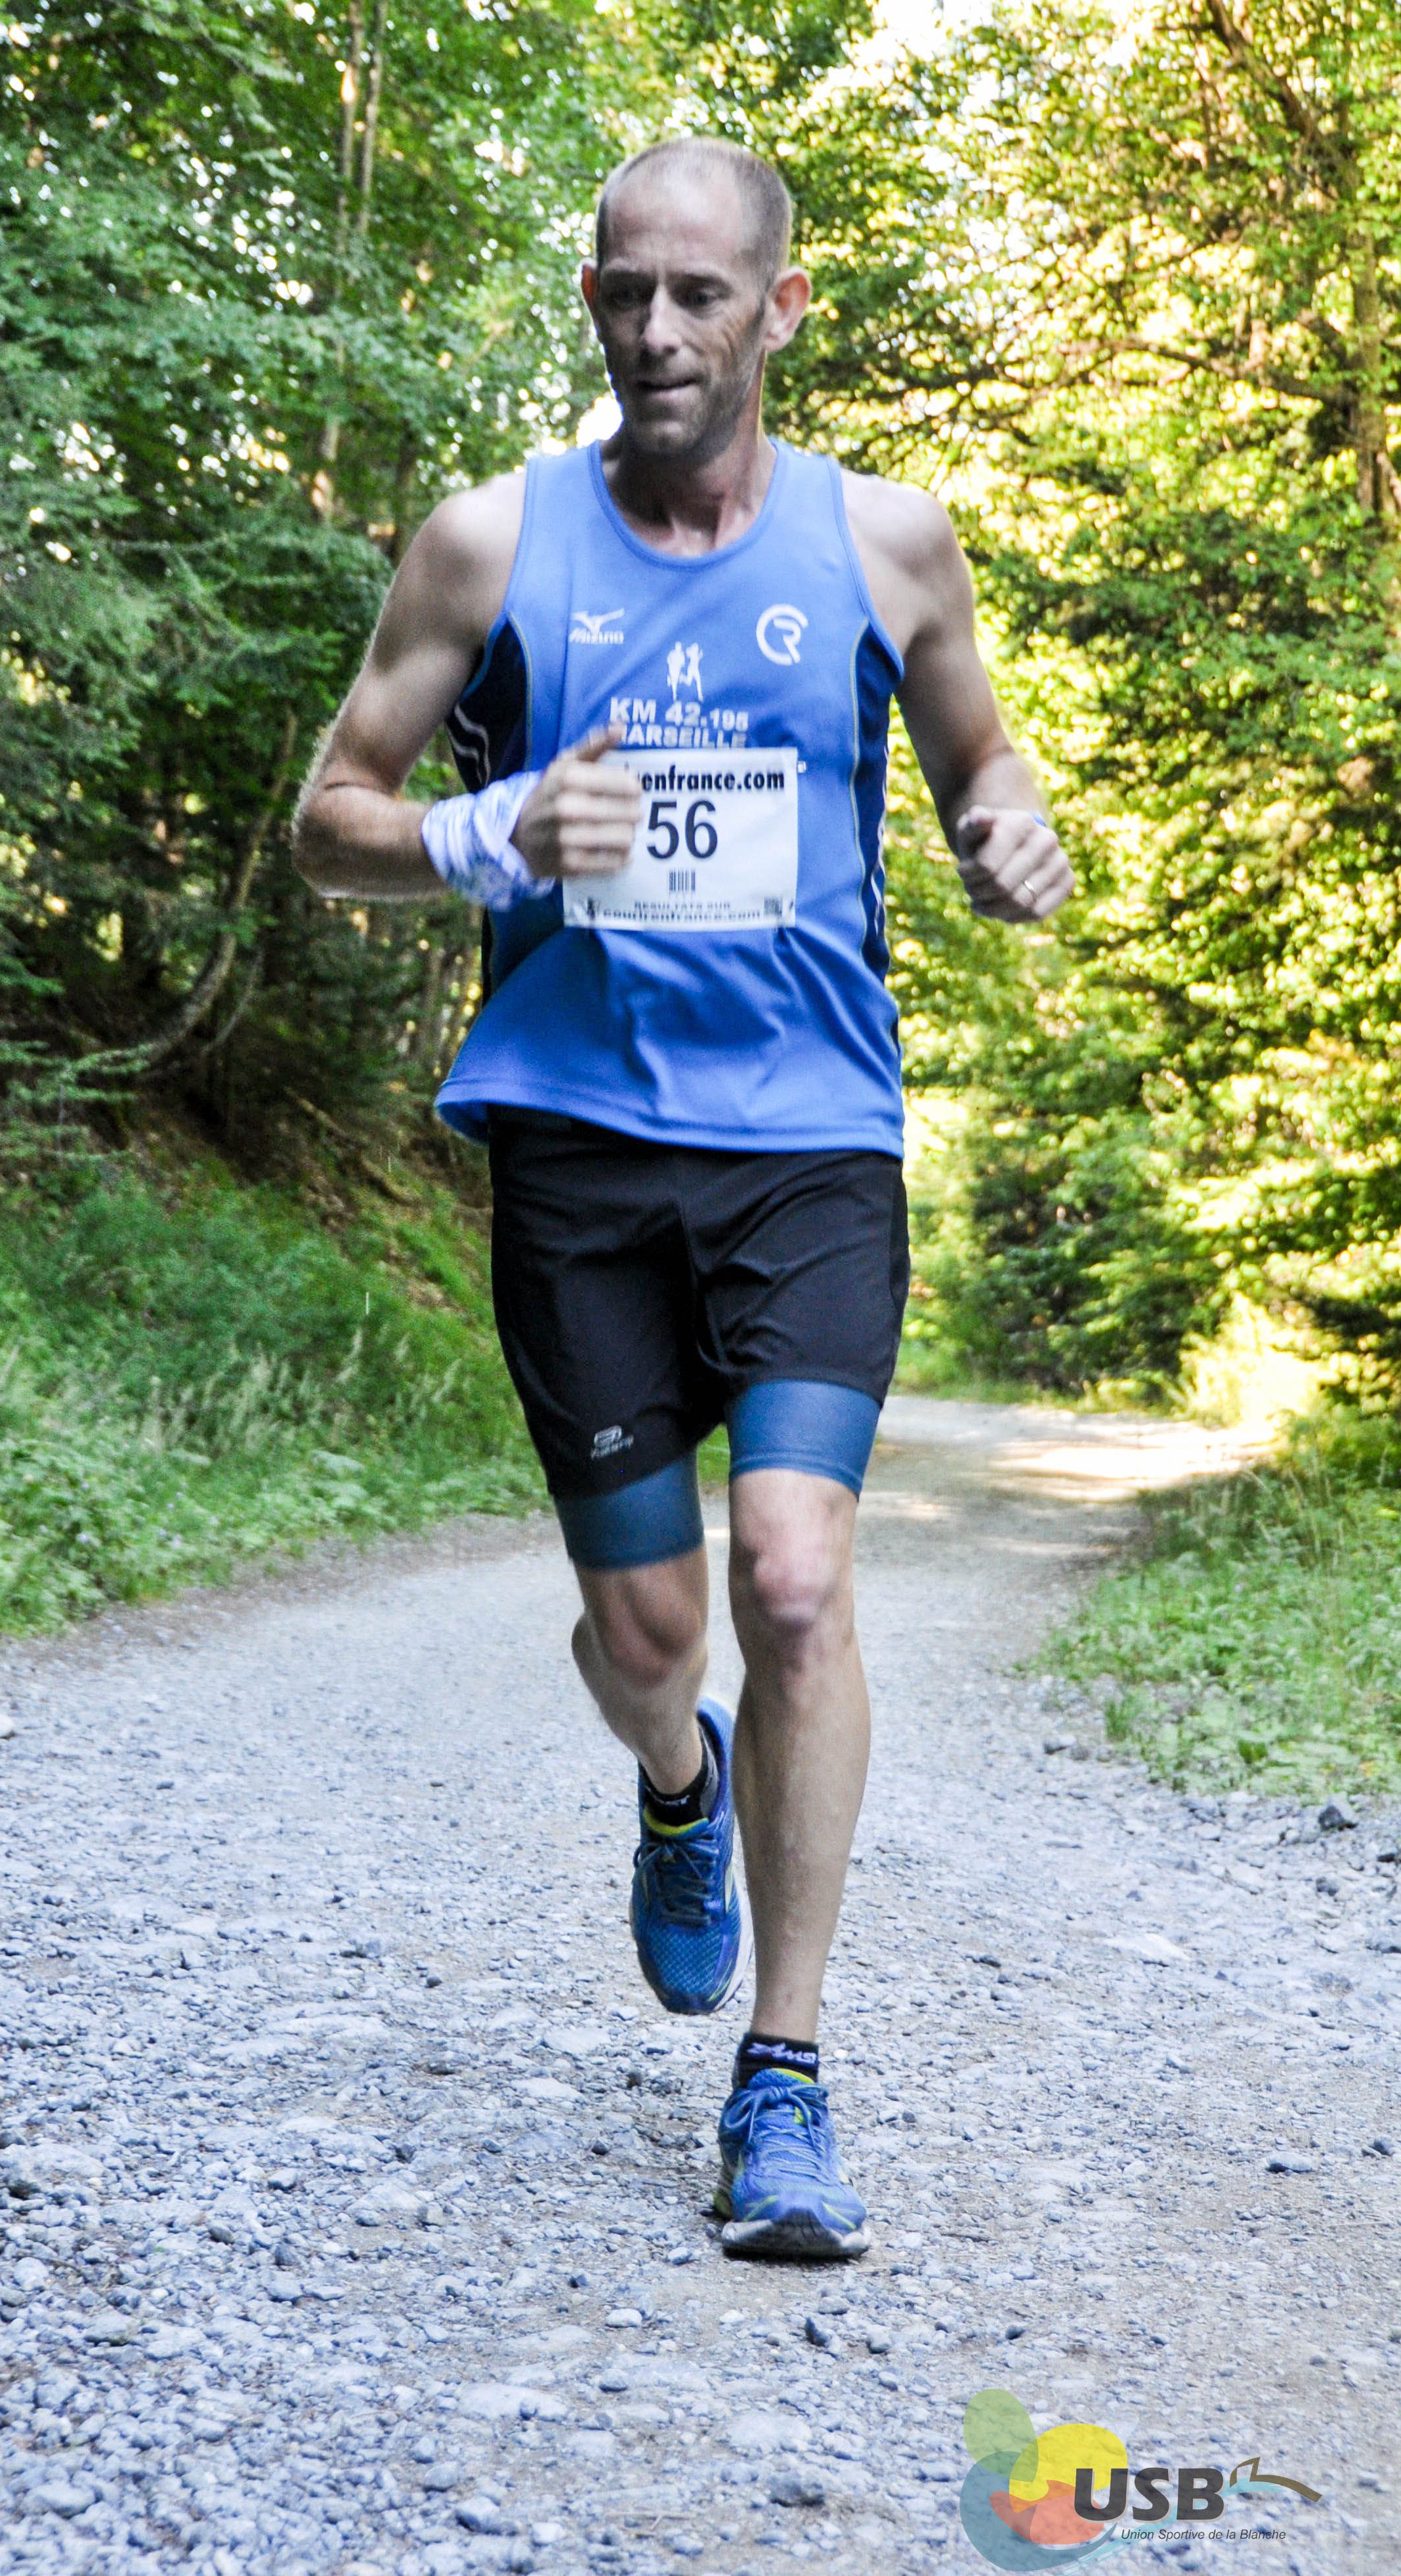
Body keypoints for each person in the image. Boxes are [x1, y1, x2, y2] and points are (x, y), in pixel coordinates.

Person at [292, 136, 1073, 2260]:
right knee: (653, 1636)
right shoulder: (490, 544)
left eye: (699, 295)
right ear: (592, 297)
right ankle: (677, 1783)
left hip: (815, 1140)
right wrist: (490, 837)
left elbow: (983, 760)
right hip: (577, 1149)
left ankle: (785, 2082)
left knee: (796, 1584)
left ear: (780, 310)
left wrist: (1007, 833)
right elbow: (333, 814)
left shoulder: (887, 543)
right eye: (625, 290)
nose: (657, 330)